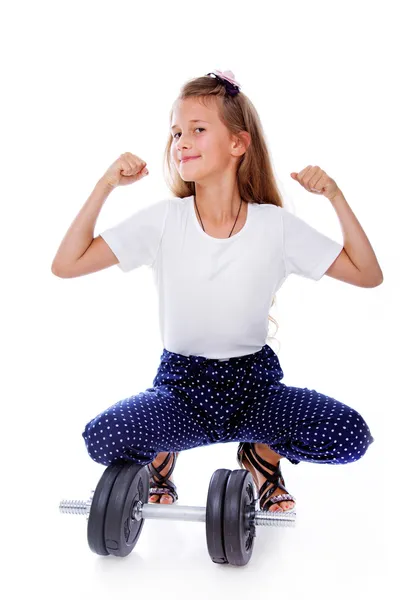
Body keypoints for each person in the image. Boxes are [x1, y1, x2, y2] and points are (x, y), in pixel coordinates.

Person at [52, 69, 381, 514]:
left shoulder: (274, 226)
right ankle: (162, 453)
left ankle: (261, 454)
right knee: (103, 439)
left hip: (255, 389)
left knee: (350, 436)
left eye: (197, 130)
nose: (181, 142)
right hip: (182, 390)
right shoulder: (165, 220)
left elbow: (367, 273)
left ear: (238, 144)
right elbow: (66, 264)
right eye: (176, 133)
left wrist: (335, 197)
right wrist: (105, 185)